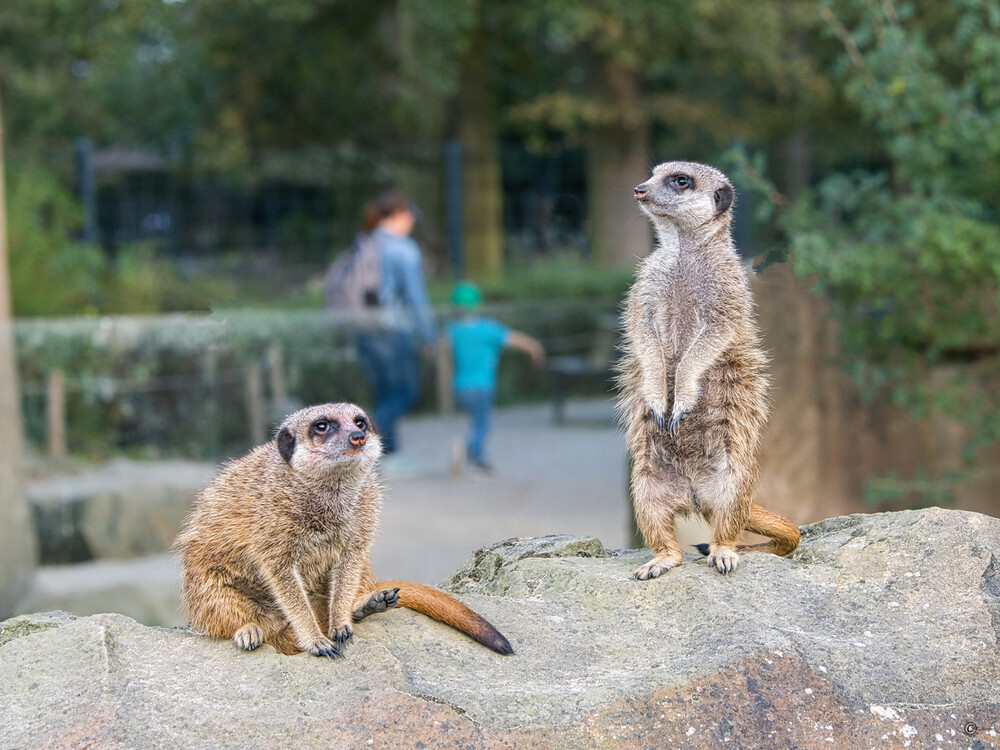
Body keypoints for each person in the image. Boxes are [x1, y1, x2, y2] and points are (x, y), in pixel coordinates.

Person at [353, 190, 437, 457]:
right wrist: (429, 335)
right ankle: (358, 442)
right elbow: (415, 297)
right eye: (410, 216)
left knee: (384, 395)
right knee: (405, 394)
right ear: (400, 215)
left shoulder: (364, 242)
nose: (412, 222)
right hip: (391, 331)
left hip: (362, 329)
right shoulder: (402, 248)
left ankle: (388, 456)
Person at [445, 281, 545, 473]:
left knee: (475, 422)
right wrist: (535, 348)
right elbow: (516, 340)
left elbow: (436, 347)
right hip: (482, 386)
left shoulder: (453, 330)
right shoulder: (488, 329)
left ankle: (476, 460)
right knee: (482, 425)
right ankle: (466, 451)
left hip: (460, 387)